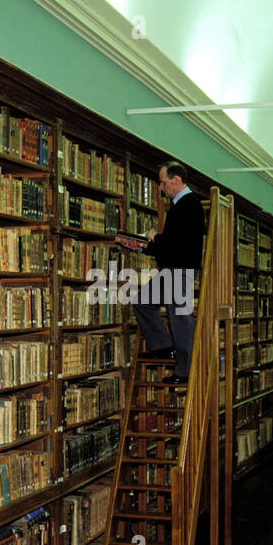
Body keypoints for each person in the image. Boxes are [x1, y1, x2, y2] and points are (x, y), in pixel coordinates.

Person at [114, 161, 205, 385]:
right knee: (143, 301)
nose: (161, 189)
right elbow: (170, 246)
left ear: (176, 180)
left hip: (180, 271)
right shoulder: (180, 205)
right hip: (171, 270)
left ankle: (186, 371)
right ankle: (164, 348)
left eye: (164, 183)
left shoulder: (189, 203)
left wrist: (154, 238)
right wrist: (144, 245)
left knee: (180, 318)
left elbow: (178, 244)